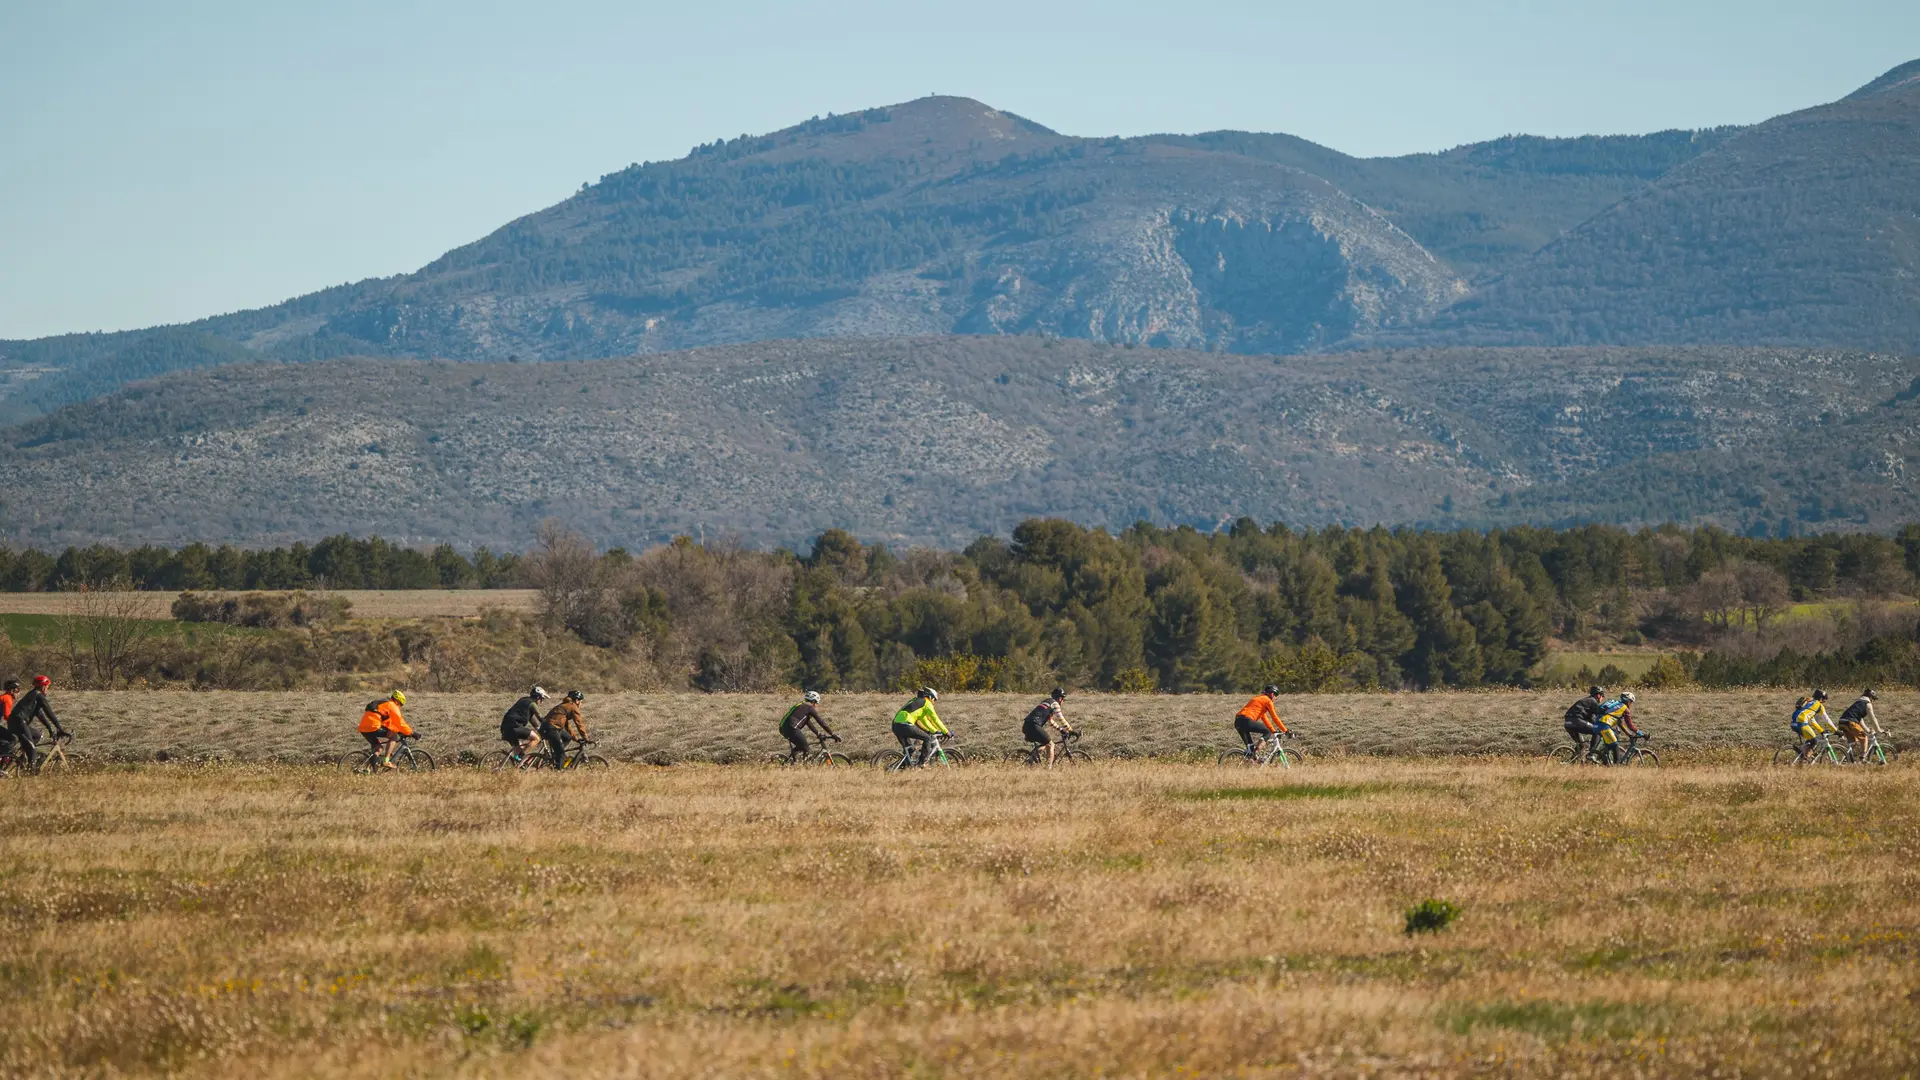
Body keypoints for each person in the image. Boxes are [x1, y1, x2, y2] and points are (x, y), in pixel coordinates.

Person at [6, 675, 67, 772]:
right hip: (19, 722)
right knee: (32, 748)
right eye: (47, 687)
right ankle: (31, 773)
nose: (47, 689)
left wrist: (50, 729)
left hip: (16, 722)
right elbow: (49, 712)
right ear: (43, 687)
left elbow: (40, 714)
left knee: (37, 735)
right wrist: (59, 728)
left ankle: (23, 756)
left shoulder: (33, 695)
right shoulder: (38, 695)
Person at [891, 686, 948, 767]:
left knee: (910, 750)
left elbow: (925, 721)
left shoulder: (917, 702)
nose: (934, 702)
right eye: (934, 700)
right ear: (930, 697)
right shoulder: (927, 703)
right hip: (905, 725)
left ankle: (898, 768)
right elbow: (935, 719)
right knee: (927, 738)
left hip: (896, 725)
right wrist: (946, 731)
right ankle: (921, 763)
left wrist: (934, 731)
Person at [1021, 687, 1076, 768]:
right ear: (1060, 698)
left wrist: (1061, 730)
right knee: (1051, 745)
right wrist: (1071, 730)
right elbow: (1061, 718)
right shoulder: (1055, 704)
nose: (1063, 701)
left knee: (1046, 744)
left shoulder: (1047, 702)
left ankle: (1030, 760)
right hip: (1034, 725)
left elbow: (1051, 721)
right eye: (1063, 699)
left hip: (1026, 725)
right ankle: (1048, 769)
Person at [778, 690, 836, 764]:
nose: (816, 705)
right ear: (814, 701)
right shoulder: (809, 707)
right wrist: (832, 733)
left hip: (783, 728)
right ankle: (805, 766)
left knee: (801, 746)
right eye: (816, 703)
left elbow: (807, 722)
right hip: (792, 728)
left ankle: (791, 763)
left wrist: (817, 733)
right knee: (806, 748)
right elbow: (820, 721)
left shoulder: (801, 705)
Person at [356, 690, 409, 770]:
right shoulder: (392, 705)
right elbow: (400, 722)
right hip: (373, 726)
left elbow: (388, 724)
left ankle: (367, 769)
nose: (400, 706)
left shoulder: (383, 704)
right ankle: (386, 761)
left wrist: (398, 731)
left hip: (363, 727)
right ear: (397, 701)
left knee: (378, 748)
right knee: (393, 736)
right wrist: (411, 732)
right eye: (400, 704)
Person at [1233, 684, 1289, 755]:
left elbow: (1264, 718)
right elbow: (1274, 717)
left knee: (1250, 750)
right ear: (1272, 694)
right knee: (1267, 732)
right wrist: (1285, 730)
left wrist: (1273, 731)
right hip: (1246, 720)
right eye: (1276, 695)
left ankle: (1252, 757)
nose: (1275, 698)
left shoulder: (1259, 699)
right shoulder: (1268, 701)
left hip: (1238, 721)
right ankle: (1257, 750)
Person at [540, 690, 588, 769]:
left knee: (567, 737)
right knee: (561, 753)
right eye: (581, 701)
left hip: (546, 726)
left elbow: (567, 726)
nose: (581, 704)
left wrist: (575, 738)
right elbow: (579, 723)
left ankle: (556, 755)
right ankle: (559, 771)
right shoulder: (573, 706)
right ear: (577, 700)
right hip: (552, 728)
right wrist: (585, 737)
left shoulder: (564, 705)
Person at [501, 686, 550, 763]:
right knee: (536, 739)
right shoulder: (532, 704)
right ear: (538, 697)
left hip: (505, 727)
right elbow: (540, 717)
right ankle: (520, 756)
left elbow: (531, 718)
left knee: (519, 752)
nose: (541, 701)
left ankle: (515, 765)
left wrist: (538, 728)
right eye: (542, 699)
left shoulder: (523, 700)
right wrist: (549, 727)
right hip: (515, 726)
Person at [1590, 690, 1639, 763]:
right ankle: (1616, 765)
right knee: (1615, 744)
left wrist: (1629, 734)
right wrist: (1639, 732)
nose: (1631, 704)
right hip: (1604, 726)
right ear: (1628, 701)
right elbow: (1630, 725)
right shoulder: (1624, 708)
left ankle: (1604, 759)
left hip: (1596, 725)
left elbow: (1621, 724)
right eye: (1631, 702)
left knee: (1611, 741)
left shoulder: (1615, 706)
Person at [1836, 688, 1882, 759]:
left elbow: (1859, 720)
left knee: (1854, 743)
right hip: (1850, 722)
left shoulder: (1858, 703)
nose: (1873, 701)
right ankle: (1862, 760)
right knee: (1864, 738)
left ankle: (1848, 759)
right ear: (1870, 697)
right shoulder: (1867, 704)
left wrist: (1868, 730)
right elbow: (1873, 718)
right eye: (1873, 699)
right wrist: (1879, 730)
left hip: (1842, 722)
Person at [1791, 689, 1834, 763]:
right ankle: (1805, 759)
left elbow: (1813, 721)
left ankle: (1803, 753)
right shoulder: (1818, 705)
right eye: (1824, 700)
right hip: (1802, 724)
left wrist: (1821, 731)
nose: (1823, 702)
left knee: (1810, 739)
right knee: (1814, 741)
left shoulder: (1808, 703)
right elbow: (1827, 719)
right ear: (1821, 698)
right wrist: (1836, 730)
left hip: (1793, 724)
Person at [1563, 685, 1605, 755]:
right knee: (1597, 732)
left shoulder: (1586, 701)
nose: (1602, 698)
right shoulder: (1593, 701)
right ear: (1598, 695)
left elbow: (1590, 718)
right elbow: (1599, 716)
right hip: (1577, 721)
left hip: (1567, 723)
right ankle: (1591, 754)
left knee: (1581, 745)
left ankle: (1574, 759)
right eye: (1602, 696)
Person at [0, 680, 20, 766]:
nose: (19, 693)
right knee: (13, 738)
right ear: (12, 691)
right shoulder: (7, 698)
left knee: (3, 742)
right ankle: (3, 759)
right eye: (17, 690)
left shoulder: (3, 697)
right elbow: (7, 715)